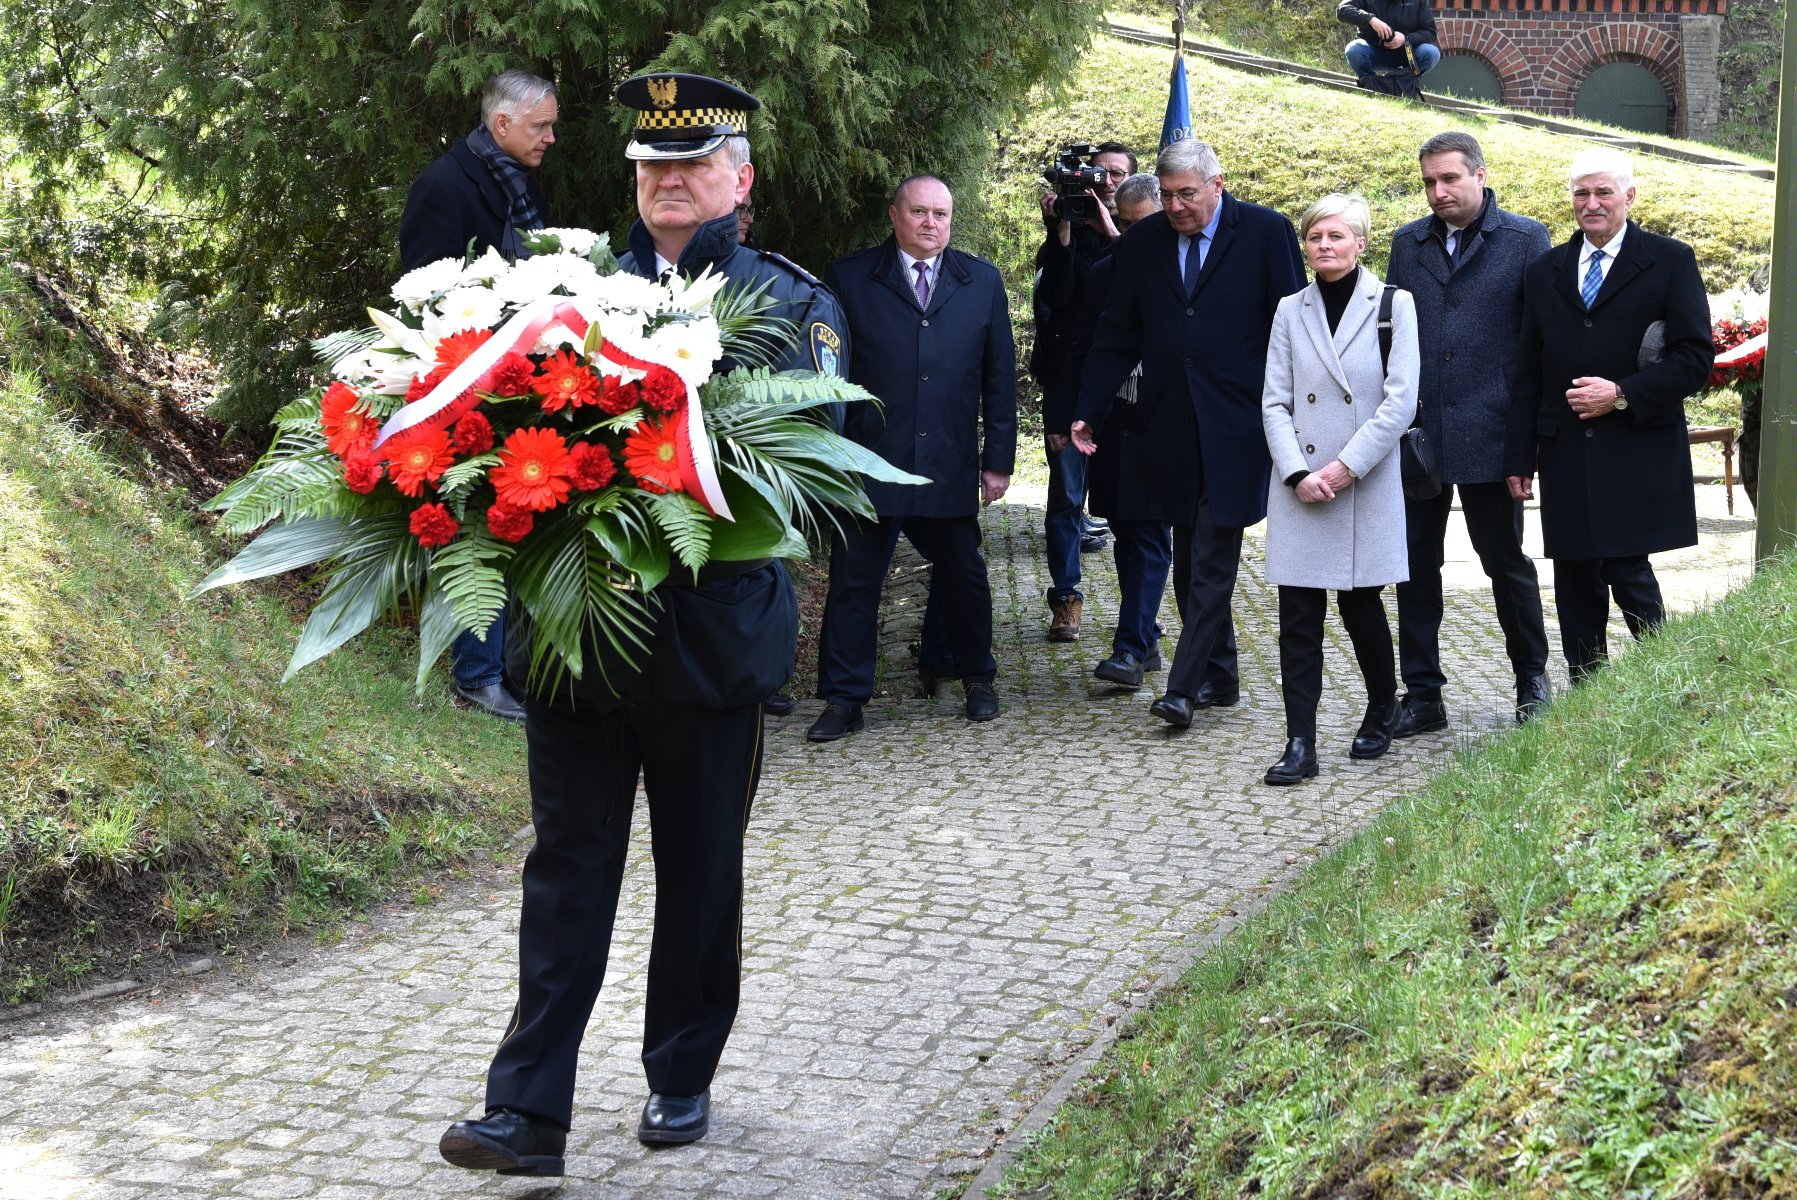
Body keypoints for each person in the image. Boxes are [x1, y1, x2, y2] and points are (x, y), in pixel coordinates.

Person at [438, 72, 844, 1176]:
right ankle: (527, 1110)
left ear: (740, 179)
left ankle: (679, 1074)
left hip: (707, 645)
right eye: (651, 163)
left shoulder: (789, 307)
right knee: (568, 868)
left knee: (700, 866)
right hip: (574, 642)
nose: (670, 179)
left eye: (695, 161)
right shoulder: (553, 293)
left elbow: (788, 483)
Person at [1071, 140, 1305, 726]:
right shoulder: (1144, 242)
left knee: (1212, 551)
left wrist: (1297, 420)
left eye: (1187, 194)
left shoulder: (1265, 232)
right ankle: (1221, 672)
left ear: (1217, 184)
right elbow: (1118, 331)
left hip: (1239, 424)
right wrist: (1088, 410)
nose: (1175, 207)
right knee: (1188, 551)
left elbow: (1293, 329)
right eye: (1168, 195)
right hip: (1166, 423)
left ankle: (1183, 685)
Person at [808, 175, 1018, 740]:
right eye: (920, 212)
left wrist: (997, 459)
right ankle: (844, 697)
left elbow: (1000, 378)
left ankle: (977, 677)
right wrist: (827, 455)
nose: (932, 224)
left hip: (945, 460)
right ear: (895, 215)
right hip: (869, 459)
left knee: (965, 574)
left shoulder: (981, 280)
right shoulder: (850, 278)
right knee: (855, 581)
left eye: (942, 214)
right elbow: (827, 373)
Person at [1505, 149, 1714, 683]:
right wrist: (1518, 455)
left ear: (1629, 197)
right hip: (1566, 448)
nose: (1591, 204)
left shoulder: (1669, 260)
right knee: (1574, 574)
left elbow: (1695, 358)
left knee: (1628, 567)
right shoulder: (1544, 270)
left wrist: (1620, 393)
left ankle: (1663, 681)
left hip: (1636, 444)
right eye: (1581, 193)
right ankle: (1587, 691)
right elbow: (1528, 368)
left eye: (1603, 193)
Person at [398, 68, 559, 723]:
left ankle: (509, 670)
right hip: (464, 380)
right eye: (541, 125)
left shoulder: (514, 179)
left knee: (519, 520)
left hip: (519, 377)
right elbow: (419, 289)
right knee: (478, 531)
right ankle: (477, 674)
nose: (551, 137)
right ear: (502, 125)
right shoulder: (443, 185)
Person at [1385, 131, 1553, 735]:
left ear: (1480, 175)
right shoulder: (1408, 243)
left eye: (1450, 179)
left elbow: (1540, 340)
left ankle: (1532, 679)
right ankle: (1423, 694)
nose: (1438, 192)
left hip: (1494, 430)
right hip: (1420, 434)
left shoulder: (1525, 239)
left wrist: (1528, 436)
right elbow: (1393, 334)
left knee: (1504, 560)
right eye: (1429, 181)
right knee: (1414, 566)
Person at [1260, 193, 1419, 784]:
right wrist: (1297, 472)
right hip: (1299, 482)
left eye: (1335, 236)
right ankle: (1300, 741)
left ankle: (1384, 704)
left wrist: (1343, 468)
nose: (1323, 246)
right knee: (1297, 616)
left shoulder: (1394, 306)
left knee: (1360, 606)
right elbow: (1274, 399)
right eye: (1314, 237)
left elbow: (1399, 401)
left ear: (1361, 242)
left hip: (1363, 481)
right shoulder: (1288, 309)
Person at [1034, 141, 1136, 642]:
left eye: (1117, 175)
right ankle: (1066, 600)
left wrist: (1112, 231)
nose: (1108, 182)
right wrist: (1064, 230)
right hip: (1070, 388)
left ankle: (1137, 611)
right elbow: (1054, 304)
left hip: (1129, 394)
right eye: (1100, 174)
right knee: (1067, 498)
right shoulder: (1066, 233)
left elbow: (1144, 285)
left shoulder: (1143, 239)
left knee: (1132, 507)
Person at [1337, 0, 1441, 86]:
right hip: (1373, 50)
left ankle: (1402, 83)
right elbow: (1342, 9)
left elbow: (1431, 32)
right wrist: (1370, 19)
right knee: (1353, 50)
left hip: (1406, 53)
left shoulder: (1418, 2)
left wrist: (1406, 39)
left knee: (1431, 53)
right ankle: (1369, 84)